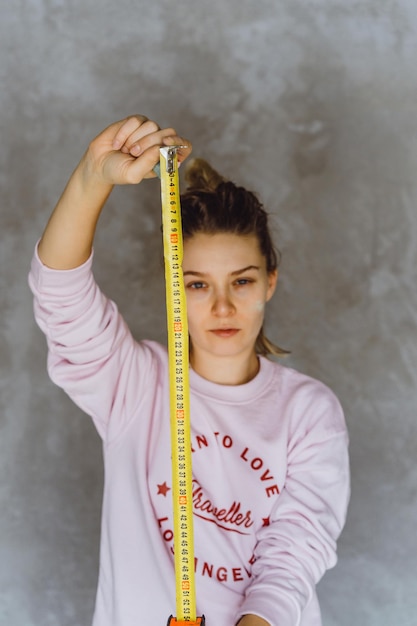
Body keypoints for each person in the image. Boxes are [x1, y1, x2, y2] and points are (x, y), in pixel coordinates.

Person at [28, 115, 350, 626]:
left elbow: (294, 553)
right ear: (173, 285)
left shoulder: (309, 411)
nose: (222, 307)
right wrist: (94, 176)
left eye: (241, 282)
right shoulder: (134, 386)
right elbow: (59, 297)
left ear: (270, 280)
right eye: (197, 284)